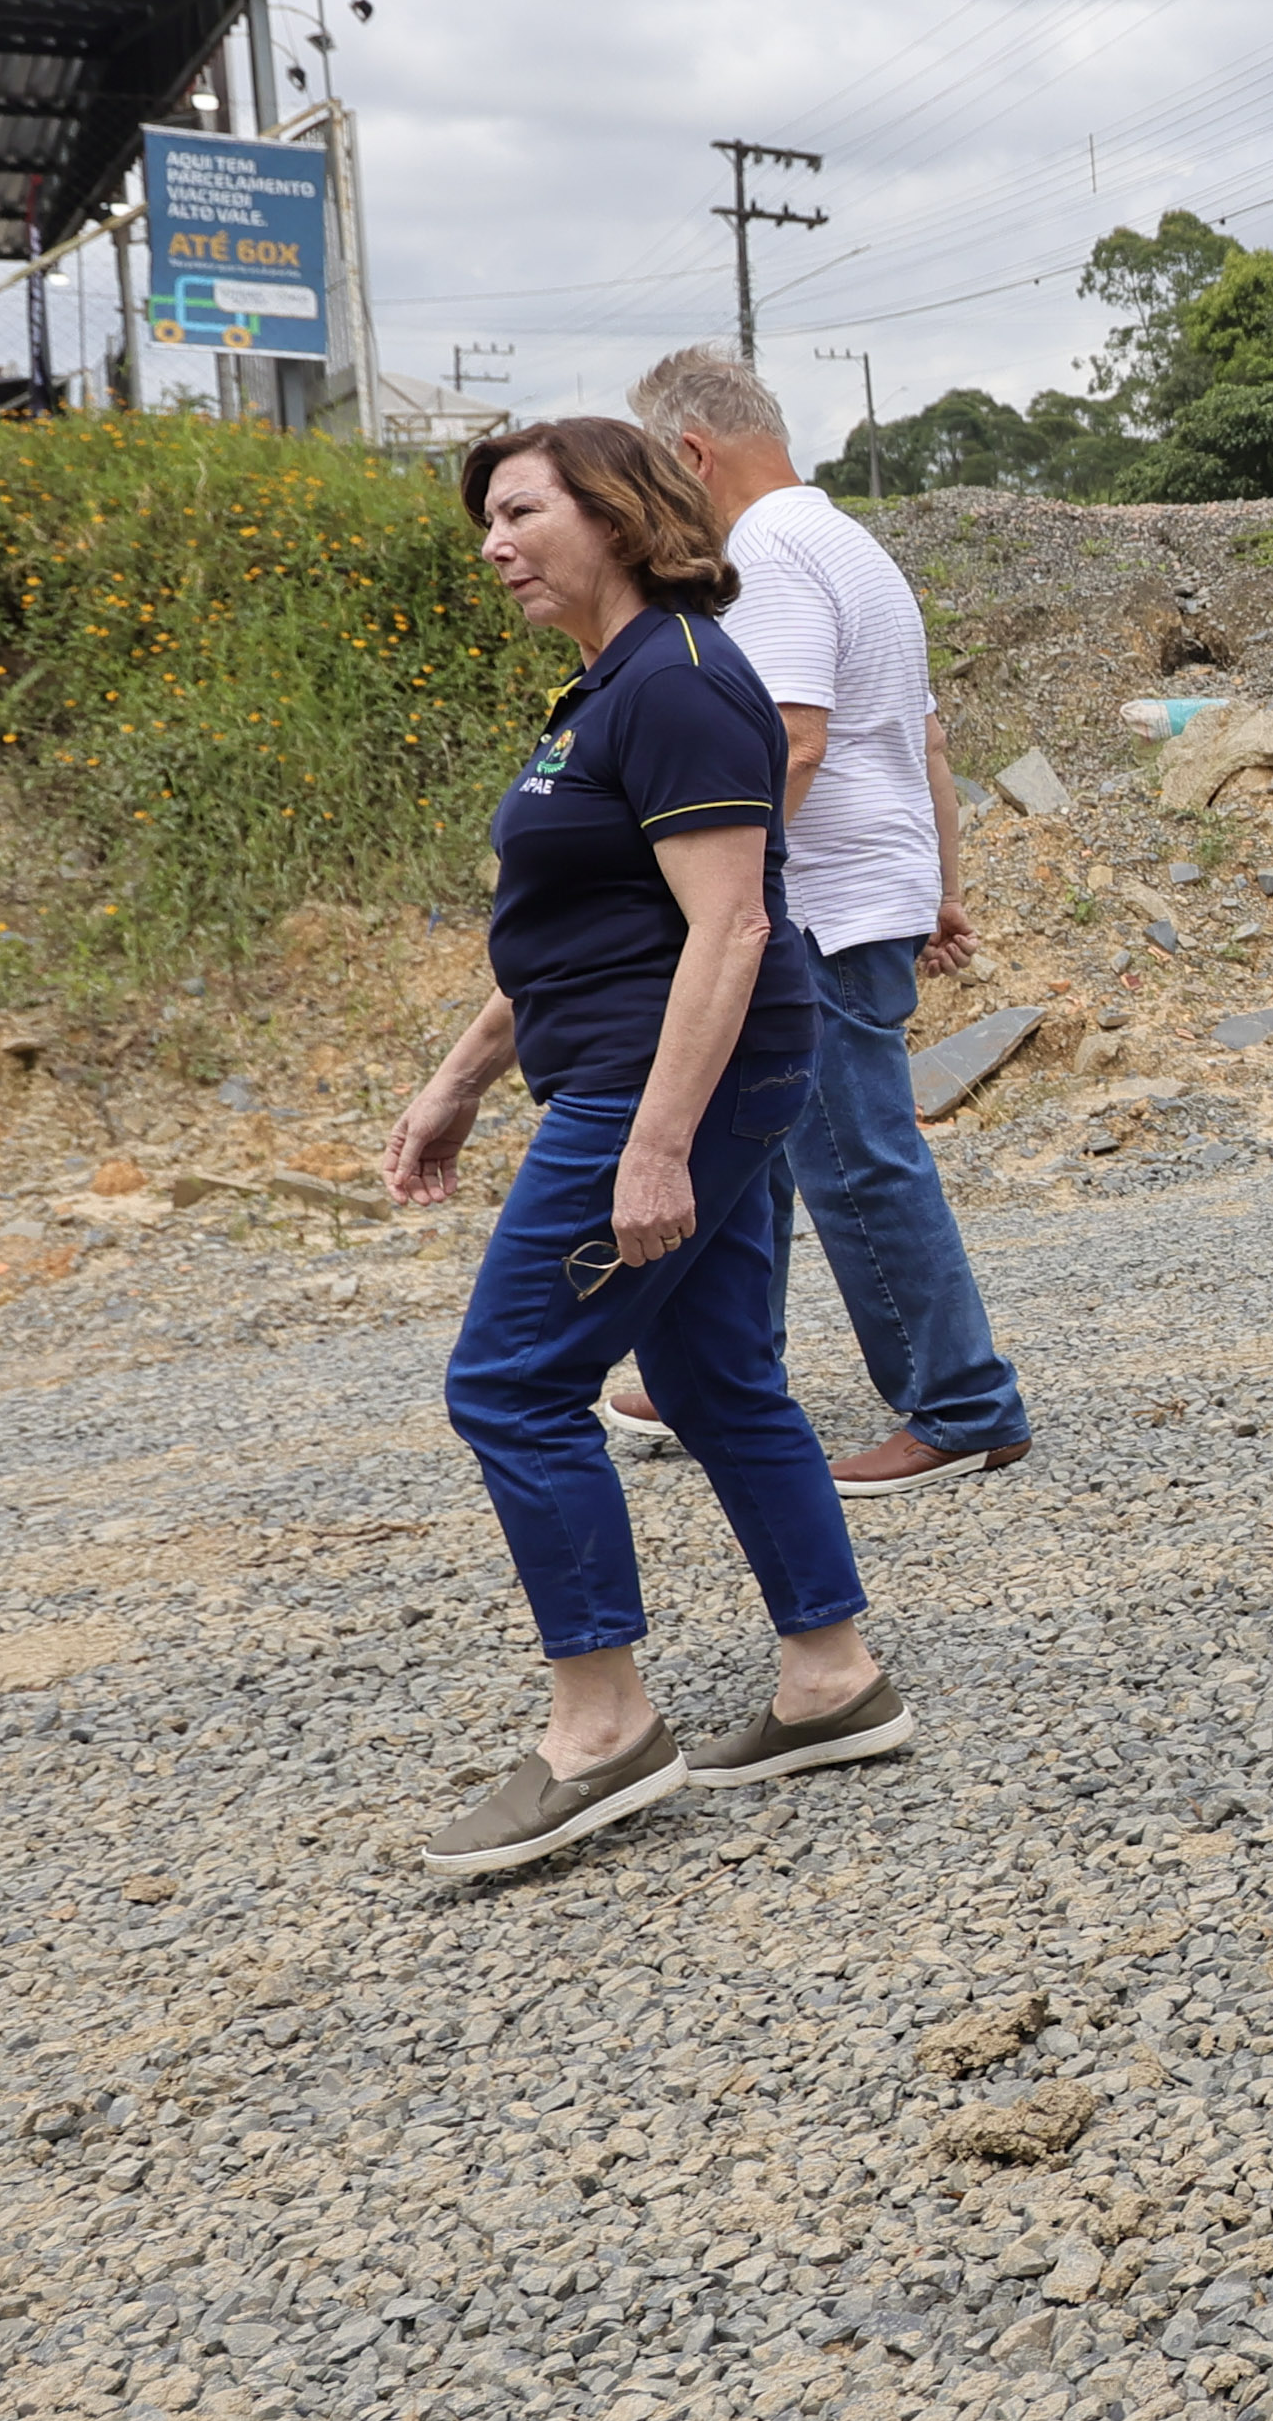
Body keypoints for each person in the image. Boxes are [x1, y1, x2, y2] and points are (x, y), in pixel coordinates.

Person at [391, 420, 916, 1875]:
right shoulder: (612, 688)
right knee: (710, 1369)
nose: (491, 543)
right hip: (653, 1071)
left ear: (614, 512)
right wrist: (458, 1081)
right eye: (484, 520)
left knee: (510, 1381)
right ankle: (829, 1678)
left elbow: (732, 924)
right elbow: (578, 928)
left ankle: (602, 1725)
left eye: (516, 511)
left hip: (664, 1083)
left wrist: (655, 1145)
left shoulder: (680, 682)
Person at [595, 346, 1039, 1499]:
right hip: (860, 890)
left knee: (852, 1158)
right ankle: (718, 1376)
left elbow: (794, 740)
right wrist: (940, 885)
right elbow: (926, 740)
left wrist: (721, 890)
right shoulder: (851, 542)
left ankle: (960, 1404)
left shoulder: (769, 555)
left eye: (657, 470)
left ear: (690, 453)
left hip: (819, 908)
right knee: (761, 1152)